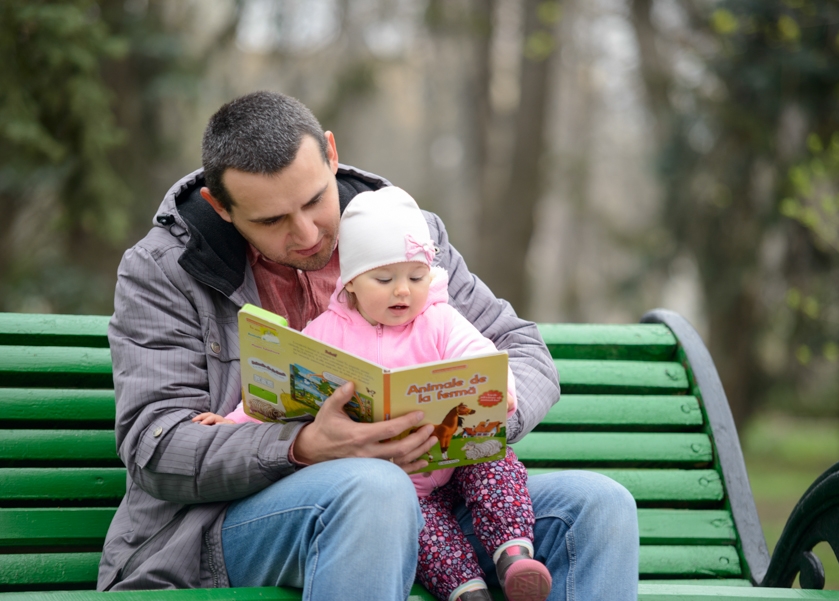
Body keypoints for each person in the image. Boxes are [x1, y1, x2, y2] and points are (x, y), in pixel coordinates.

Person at [101, 90, 639, 600]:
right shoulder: (163, 271)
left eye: (315, 200)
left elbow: (522, 348)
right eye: (272, 220)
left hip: (430, 498)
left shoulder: (404, 235)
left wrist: (477, 414)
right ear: (220, 207)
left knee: (596, 506)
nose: (307, 233)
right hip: (227, 526)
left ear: (331, 154)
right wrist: (303, 445)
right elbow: (155, 447)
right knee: (374, 488)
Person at [196, 187, 552, 601]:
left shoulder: (439, 320)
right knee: (422, 531)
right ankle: (468, 591)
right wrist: (233, 421)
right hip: (402, 483)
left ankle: (514, 555)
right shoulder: (328, 332)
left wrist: (499, 387)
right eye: (384, 279)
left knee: (495, 463)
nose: (403, 291)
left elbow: (479, 353)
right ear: (351, 282)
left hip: (456, 458)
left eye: (416, 277)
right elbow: (285, 387)